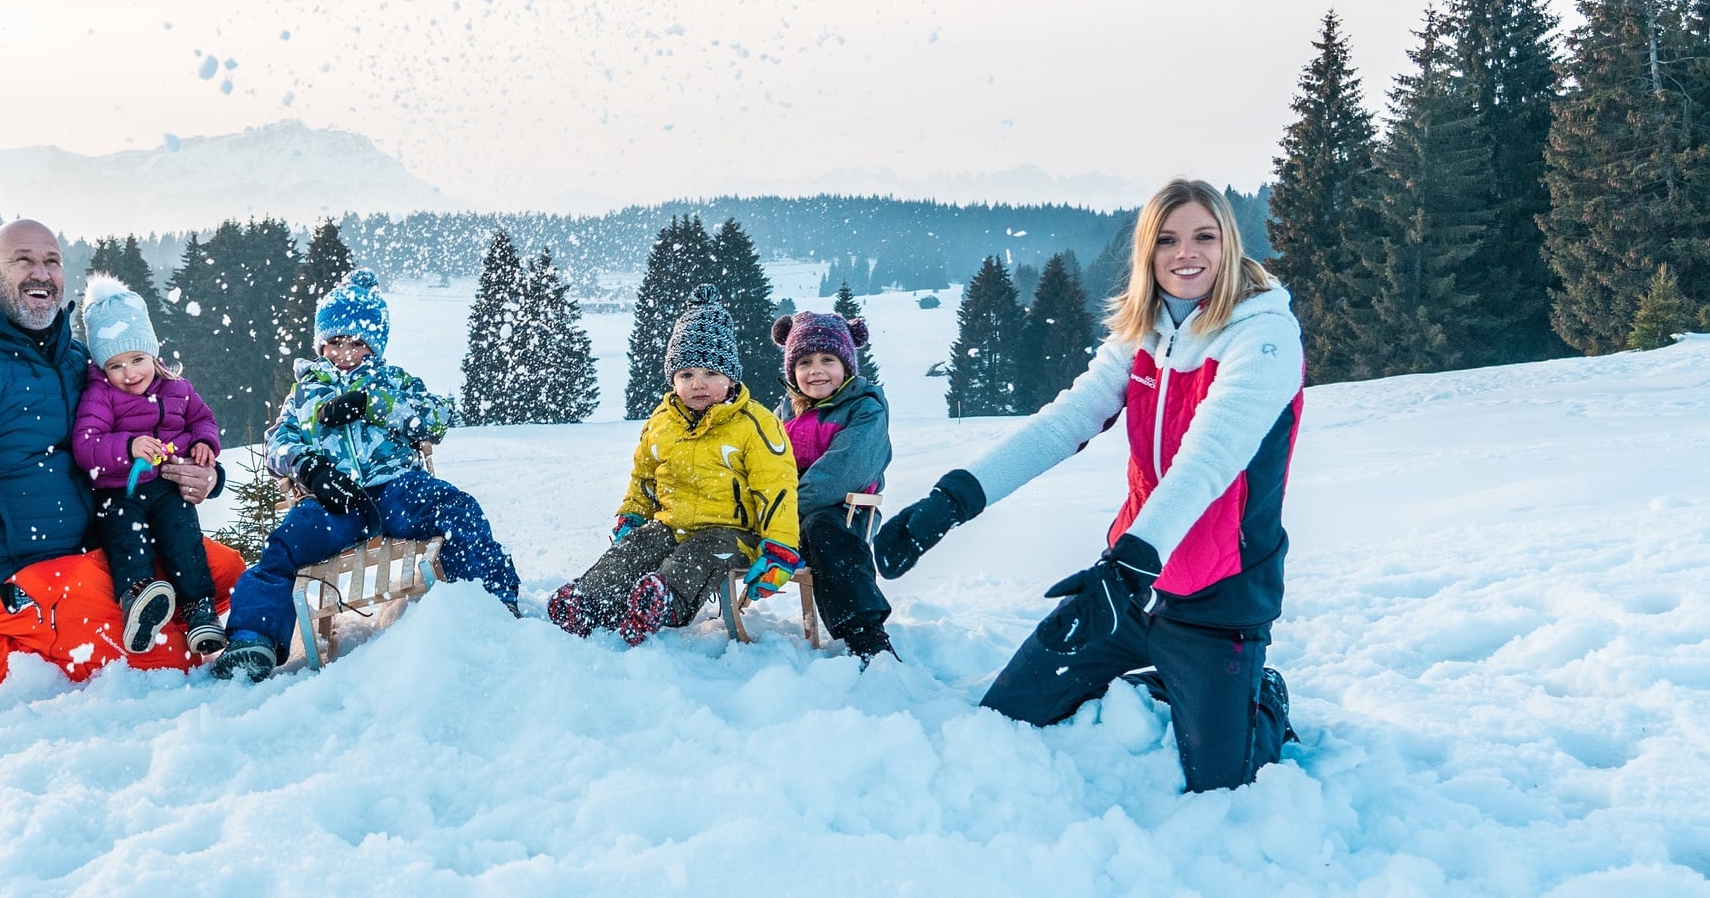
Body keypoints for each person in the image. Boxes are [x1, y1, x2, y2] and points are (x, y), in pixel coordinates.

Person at [874, 179, 1302, 791]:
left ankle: (1260, 691)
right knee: (1008, 717)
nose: (1187, 254)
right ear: (1147, 254)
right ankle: (1167, 673)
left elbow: (1209, 459)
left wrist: (1129, 564)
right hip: (1126, 587)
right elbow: (1064, 423)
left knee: (1221, 784)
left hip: (1216, 596)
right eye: (1168, 240)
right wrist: (952, 500)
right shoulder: (1144, 334)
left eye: (1204, 237)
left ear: (1228, 245)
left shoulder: (1263, 336)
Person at [0, 220, 246, 705]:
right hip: (26, 577)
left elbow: (152, 424)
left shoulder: (72, 357)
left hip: (104, 548)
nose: (41, 273)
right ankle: (7, 645)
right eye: (23, 260)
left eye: (52, 261)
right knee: (171, 661)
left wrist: (206, 473)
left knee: (224, 573)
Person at [219, 270, 521, 682]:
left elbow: (437, 418)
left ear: (373, 345)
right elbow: (276, 443)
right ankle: (253, 639)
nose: (345, 352)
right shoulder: (305, 393)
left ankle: (493, 599)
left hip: (396, 487)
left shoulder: (392, 382)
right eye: (335, 342)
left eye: (356, 343)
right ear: (321, 343)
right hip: (334, 500)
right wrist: (311, 468)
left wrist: (372, 403)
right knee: (284, 546)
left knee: (458, 510)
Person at [548, 285, 801, 644]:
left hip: (734, 534)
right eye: (686, 375)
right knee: (639, 544)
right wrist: (632, 516)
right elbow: (644, 479)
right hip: (672, 524)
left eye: (710, 374)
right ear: (673, 379)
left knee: (700, 552)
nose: (698, 384)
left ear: (731, 377)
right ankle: (590, 600)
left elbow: (777, 490)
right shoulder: (661, 422)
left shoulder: (753, 424)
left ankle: (661, 602)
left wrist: (779, 549)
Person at [70, 275, 228, 659]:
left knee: (183, 538)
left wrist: (206, 443)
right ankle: (138, 601)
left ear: (153, 354)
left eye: (137, 359)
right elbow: (85, 445)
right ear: (102, 368)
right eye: (116, 365)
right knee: (127, 539)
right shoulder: (101, 396)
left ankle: (199, 612)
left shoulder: (178, 388)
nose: (130, 374)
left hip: (167, 487)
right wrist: (128, 445)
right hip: (118, 489)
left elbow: (202, 419)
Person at [770, 309, 895, 662]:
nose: (816, 370)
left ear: (847, 366)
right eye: (805, 361)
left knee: (822, 525)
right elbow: (767, 463)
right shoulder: (785, 413)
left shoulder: (865, 409)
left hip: (843, 518)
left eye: (828, 359)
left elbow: (843, 470)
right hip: (785, 520)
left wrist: (784, 508)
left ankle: (865, 632)